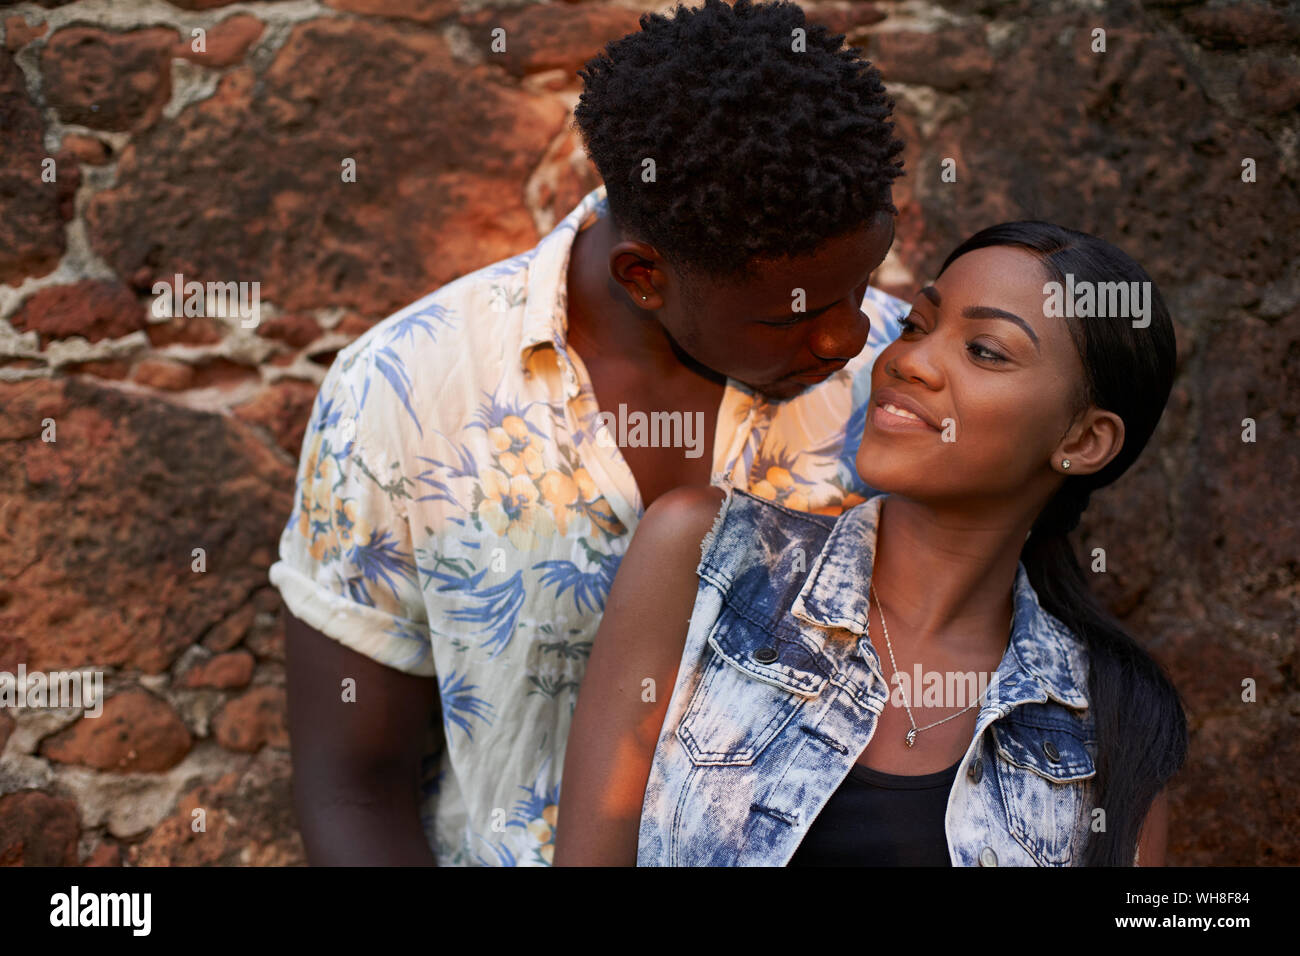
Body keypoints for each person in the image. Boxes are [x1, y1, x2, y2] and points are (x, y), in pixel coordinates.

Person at [271, 0, 911, 865]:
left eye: (861, 284)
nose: (849, 337)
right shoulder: (409, 391)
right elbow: (355, 782)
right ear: (643, 276)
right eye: (788, 318)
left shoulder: (903, 396)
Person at [554, 221, 1190, 866]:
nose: (906, 360)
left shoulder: (1109, 723)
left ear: (1082, 442)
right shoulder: (711, 556)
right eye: (916, 325)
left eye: (986, 350)